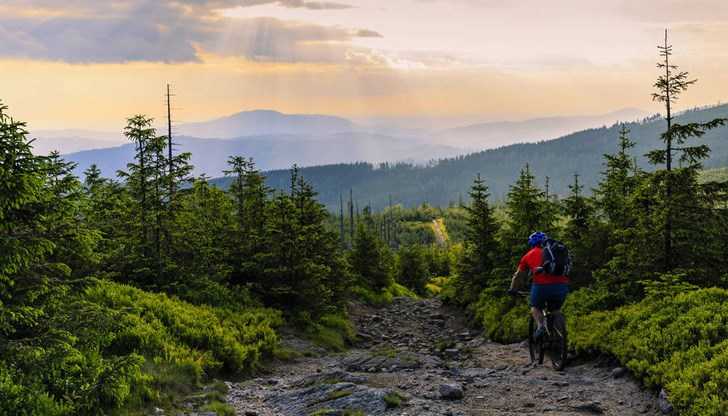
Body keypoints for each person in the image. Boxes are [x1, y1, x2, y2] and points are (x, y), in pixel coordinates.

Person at [508, 231, 568, 341]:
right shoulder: (554, 253)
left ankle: (541, 328)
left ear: (531, 244)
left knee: (535, 306)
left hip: (542, 286)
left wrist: (513, 289)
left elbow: (518, 275)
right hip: (562, 286)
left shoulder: (528, 255)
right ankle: (557, 333)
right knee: (554, 310)